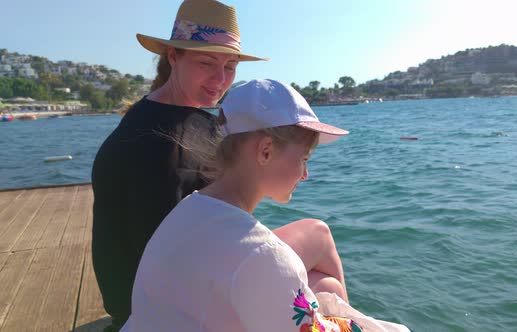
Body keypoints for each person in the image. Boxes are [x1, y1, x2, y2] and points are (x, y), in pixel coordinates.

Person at [92, 1, 349, 330]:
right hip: (160, 302)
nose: (220, 78)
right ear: (174, 56)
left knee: (321, 265)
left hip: (150, 292)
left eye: (231, 66)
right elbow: (190, 263)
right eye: (207, 63)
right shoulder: (163, 148)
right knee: (322, 256)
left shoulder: (159, 119)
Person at [121, 79, 409, 332]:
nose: (306, 174)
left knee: (327, 288)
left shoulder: (188, 210)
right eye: (304, 159)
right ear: (265, 151)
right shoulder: (262, 255)